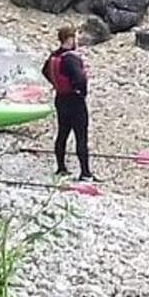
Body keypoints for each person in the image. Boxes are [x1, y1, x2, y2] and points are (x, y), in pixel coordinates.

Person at [41, 26, 93, 181]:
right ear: (70, 39)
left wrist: (56, 84)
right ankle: (85, 172)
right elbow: (80, 78)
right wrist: (81, 92)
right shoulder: (71, 58)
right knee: (81, 136)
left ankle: (61, 168)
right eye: (75, 37)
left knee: (62, 133)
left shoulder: (53, 56)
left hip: (60, 99)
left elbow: (45, 71)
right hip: (75, 101)